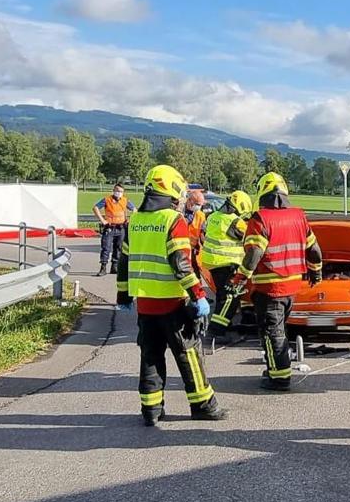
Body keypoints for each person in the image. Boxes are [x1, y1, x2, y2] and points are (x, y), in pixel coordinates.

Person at [115, 165, 226, 426]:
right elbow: (181, 263)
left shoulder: (136, 221)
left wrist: (123, 296)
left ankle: (151, 410)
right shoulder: (173, 220)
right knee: (188, 355)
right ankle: (203, 406)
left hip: (145, 305)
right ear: (173, 188)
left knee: (150, 357)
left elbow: (124, 262)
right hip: (173, 304)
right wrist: (198, 295)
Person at [227, 172, 322, 391]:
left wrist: (238, 279)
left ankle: (279, 378)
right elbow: (314, 250)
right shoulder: (299, 216)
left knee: (272, 333)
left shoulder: (260, 219)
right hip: (292, 288)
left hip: (270, 289)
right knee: (279, 330)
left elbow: (254, 255)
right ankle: (274, 367)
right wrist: (315, 272)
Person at [199, 190, 253, 338]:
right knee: (230, 297)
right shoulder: (236, 222)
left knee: (223, 295)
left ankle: (226, 324)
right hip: (226, 263)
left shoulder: (214, 216)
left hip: (212, 262)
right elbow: (250, 237)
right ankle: (216, 330)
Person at [93, 183, 135, 276]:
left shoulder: (125, 200)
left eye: (120, 191)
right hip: (109, 228)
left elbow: (134, 210)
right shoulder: (107, 200)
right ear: (113, 191)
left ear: (123, 192)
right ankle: (103, 267)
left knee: (119, 248)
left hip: (121, 228)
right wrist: (103, 220)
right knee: (106, 247)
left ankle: (114, 267)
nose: (118, 193)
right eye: (117, 191)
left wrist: (130, 220)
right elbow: (95, 208)